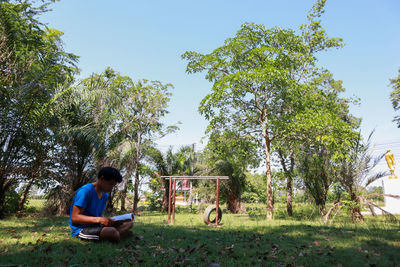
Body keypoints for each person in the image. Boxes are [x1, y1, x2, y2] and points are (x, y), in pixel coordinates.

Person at [69, 167, 133, 242]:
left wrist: (109, 221)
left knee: (129, 223)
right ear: (102, 179)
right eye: (111, 184)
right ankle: (118, 234)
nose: (111, 188)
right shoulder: (86, 191)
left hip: (96, 225)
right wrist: (99, 220)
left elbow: (97, 216)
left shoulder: (105, 195)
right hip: (81, 229)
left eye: (113, 185)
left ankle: (117, 234)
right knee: (112, 232)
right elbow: (74, 217)